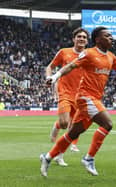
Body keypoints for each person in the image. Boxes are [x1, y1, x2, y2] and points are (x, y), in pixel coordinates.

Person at [40, 26, 116, 177]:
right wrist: (55, 77)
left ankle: (47, 157)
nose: (111, 38)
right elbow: (71, 65)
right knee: (107, 124)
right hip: (85, 97)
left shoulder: (110, 56)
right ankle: (89, 158)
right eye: (107, 36)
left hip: (94, 98)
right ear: (98, 39)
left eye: (111, 36)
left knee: (73, 133)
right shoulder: (89, 53)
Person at [45, 27, 89, 166]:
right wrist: (49, 77)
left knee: (73, 129)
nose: (81, 39)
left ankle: (59, 156)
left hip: (80, 95)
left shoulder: (89, 55)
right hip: (65, 92)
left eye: (84, 37)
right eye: (79, 36)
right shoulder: (64, 52)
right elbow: (50, 66)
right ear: (73, 39)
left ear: (87, 41)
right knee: (64, 123)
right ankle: (57, 125)